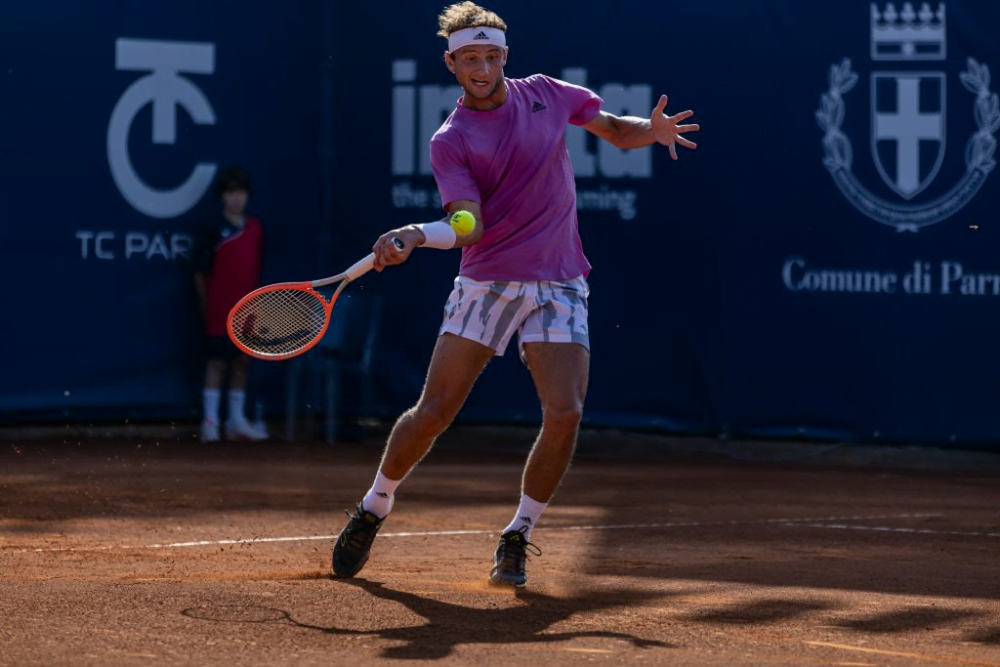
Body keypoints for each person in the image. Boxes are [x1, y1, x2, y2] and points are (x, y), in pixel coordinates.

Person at [332, 1, 699, 586]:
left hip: (560, 281)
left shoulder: (549, 94)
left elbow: (613, 129)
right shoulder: (450, 140)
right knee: (432, 415)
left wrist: (648, 132)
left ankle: (519, 532)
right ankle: (374, 506)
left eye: (492, 56)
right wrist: (419, 234)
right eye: (470, 58)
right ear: (451, 64)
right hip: (487, 281)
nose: (483, 68)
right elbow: (468, 225)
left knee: (566, 411)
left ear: (506, 57)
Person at [193, 166, 269, 442]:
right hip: (218, 308)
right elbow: (200, 273)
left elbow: (255, 269)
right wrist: (206, 305)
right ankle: (210, 422)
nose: (236, 198)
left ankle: (236, 421)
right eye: (230, 192)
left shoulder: (256, 229)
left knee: (241, 361)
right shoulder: (212, 230)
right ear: (222, 197)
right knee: (216, 362)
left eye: (240, 192)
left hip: (249, 309)